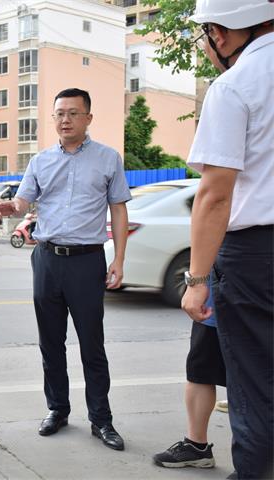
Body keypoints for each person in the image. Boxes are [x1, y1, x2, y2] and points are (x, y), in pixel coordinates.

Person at [0, 88, 131, 451]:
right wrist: (12, 207)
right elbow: (23, 201)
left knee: (92, 344)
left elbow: (118, 209)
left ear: (88, 118)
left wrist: (118, 259)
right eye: (59, 114)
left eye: (73, 113)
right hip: (47, 259)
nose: (65, 120)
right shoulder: (40, 161)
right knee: (50, 342)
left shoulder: (108, 159)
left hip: (87, 260)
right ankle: (57, 409)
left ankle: (101, 419)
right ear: (52, 118)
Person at [181, 1, 274, 478]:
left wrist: (197, 280)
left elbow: (215, 195)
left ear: (219, 33)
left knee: (256, 381)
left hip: (256, 257)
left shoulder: (236, 85)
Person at [153, 282, 224, 468]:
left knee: (251, 379)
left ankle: (253, 461)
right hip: (218, 306)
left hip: (231, 300)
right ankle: (196, 447)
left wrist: (195, 285)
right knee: (200, 374)